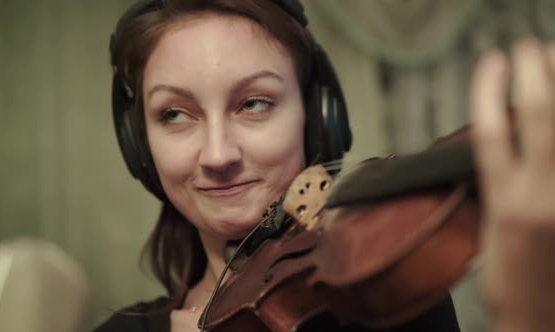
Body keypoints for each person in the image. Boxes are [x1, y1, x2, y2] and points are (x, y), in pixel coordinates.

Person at [96, 0, 555, 331]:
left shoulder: (377, 301)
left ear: (316, 120)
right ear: (141, 145)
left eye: (254, 104)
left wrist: (527, 314)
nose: (218, 155)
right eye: (175, 114)